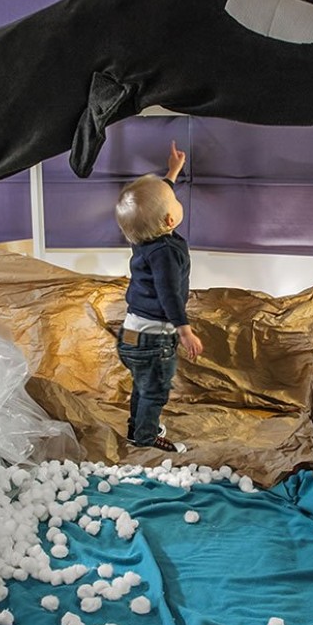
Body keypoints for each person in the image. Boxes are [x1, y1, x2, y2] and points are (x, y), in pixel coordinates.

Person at [115, 141, 203, 452]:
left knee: (143, 384)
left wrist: (172, 172)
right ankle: (145, 438)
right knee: (155, 390)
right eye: (175, 200)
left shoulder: (141, 233)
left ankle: (136, 428)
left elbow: (153, 203)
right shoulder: (165, 253)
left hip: (130, 335)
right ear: (170, 220)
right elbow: (169, 296)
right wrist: (185, 330)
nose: (176, 199)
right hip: (155, 338)